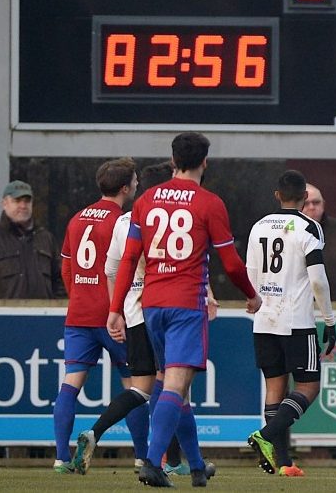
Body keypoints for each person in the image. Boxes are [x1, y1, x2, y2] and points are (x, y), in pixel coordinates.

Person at [108, 132, 261, 488]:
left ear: (173, 160)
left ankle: (195, 466)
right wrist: (251, 295)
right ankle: (152, 462)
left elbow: (131, 257)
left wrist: (115, 308)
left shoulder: (145, 200)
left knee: (172, 386)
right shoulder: (209, 203)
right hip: (185, 304)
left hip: (152, 305)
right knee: (176, 386)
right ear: (205, 162)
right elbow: (232, 264)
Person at [72, 161, 213, 478]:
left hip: (136, 317)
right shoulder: (170, 218)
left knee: (144, 389)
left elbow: (110, 272)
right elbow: (182, 264)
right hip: (165, 312)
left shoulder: (123, 222)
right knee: (175, 389)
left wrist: (117, 311)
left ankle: (96, 432)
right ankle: (171, 463)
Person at [52, 158, 144, 474]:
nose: (137, 185)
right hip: (113, 316)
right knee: (135, 385)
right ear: (125, 187)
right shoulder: (122, 222)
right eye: (134, 180)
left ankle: (61, 459)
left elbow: (66, 265)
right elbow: (122, 268)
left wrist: (79, 293)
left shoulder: (77, 218)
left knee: (70, 386)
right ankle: (142, 457)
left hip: (79, 315)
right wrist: (115, 308)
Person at [246, 171, 336, 477]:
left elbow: (250, 271)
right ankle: (266, 436)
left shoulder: (258, 226)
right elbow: (317, 278)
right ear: (303, 199)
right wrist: (329, 319)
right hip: (296, 319)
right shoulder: (308, 226)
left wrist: (257, 299)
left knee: (275, 386)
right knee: (309, 387)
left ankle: (282, 462)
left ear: (277, 195)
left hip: (265, 319)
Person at [0, 180, 62, 298]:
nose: (23, 206)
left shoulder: (46, 238)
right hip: (4, 315)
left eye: (27, 201)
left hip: (44, 314)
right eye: (17, 201)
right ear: (4, 203)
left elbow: (60, 282)